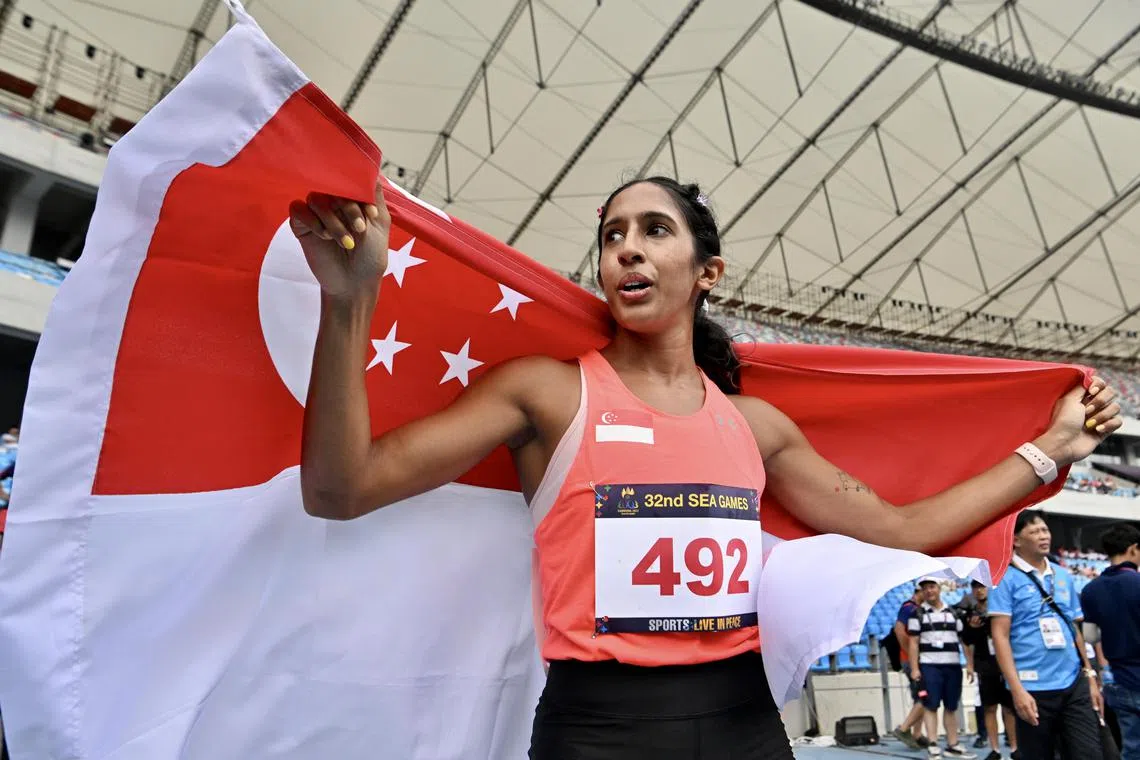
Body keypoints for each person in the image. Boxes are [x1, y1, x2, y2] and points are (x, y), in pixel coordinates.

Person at [290, 176, 1124, 759]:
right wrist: (349, 297)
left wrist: (1047, 453)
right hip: (597, 731)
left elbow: (906, 529)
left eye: (654, 230)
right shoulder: (548, 395)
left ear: (706, 272)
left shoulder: (755, 427)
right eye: (611, 235)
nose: (626, 249)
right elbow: (341, 487)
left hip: (742, 724)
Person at [990, 512, 1104, 760]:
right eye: (1035, 532)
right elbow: (1000, 636)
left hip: (1074, 682)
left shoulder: (1062, 575)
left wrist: (1091, 674)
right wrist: (1017, 689)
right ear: (1016, 540)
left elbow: (1077, 627)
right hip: (1033, 689)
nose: (1043, 536)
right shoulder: (1004, 579)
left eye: (1045, 530)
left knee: (1090, 754)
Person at [1081, 523, 1140, 760]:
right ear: (1134, 549)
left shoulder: (1090, 590)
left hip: (1118, 680)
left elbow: (1091, 637)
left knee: (1131, 749)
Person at [908, 577, 976, 757]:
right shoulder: (917, 614)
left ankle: (952, 744)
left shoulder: (954, 613)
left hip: (952, 665)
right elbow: (913, 643)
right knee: (931, 705)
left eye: (932, 587)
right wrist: (915, 668)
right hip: (930, 666)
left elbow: (964, 641)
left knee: (951, 706)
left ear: (939, 588)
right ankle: (933, 743)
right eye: (925, 588)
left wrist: (969, 664)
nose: (929, 591)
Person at [961, 580, 1019, 760]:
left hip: (1006, 665)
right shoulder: (971, 617)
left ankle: (1015, 747)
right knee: (989, 708)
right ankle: (995, 749)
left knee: (1009, 708)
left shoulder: (1001, 610)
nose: (979, 591)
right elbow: (967, 641)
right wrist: (970, 665)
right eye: (976, 587)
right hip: (985, 666)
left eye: (982, 587)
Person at [893, 586, 933, 750]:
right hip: (911, 661)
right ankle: (904, 729)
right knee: (925, 695)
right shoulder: (909, 608)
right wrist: (911, 655)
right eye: (925, 590)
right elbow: (899, 629)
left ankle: (917, 734)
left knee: (921, 695)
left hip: (918, 659)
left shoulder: (920, 609)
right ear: (919, 592)